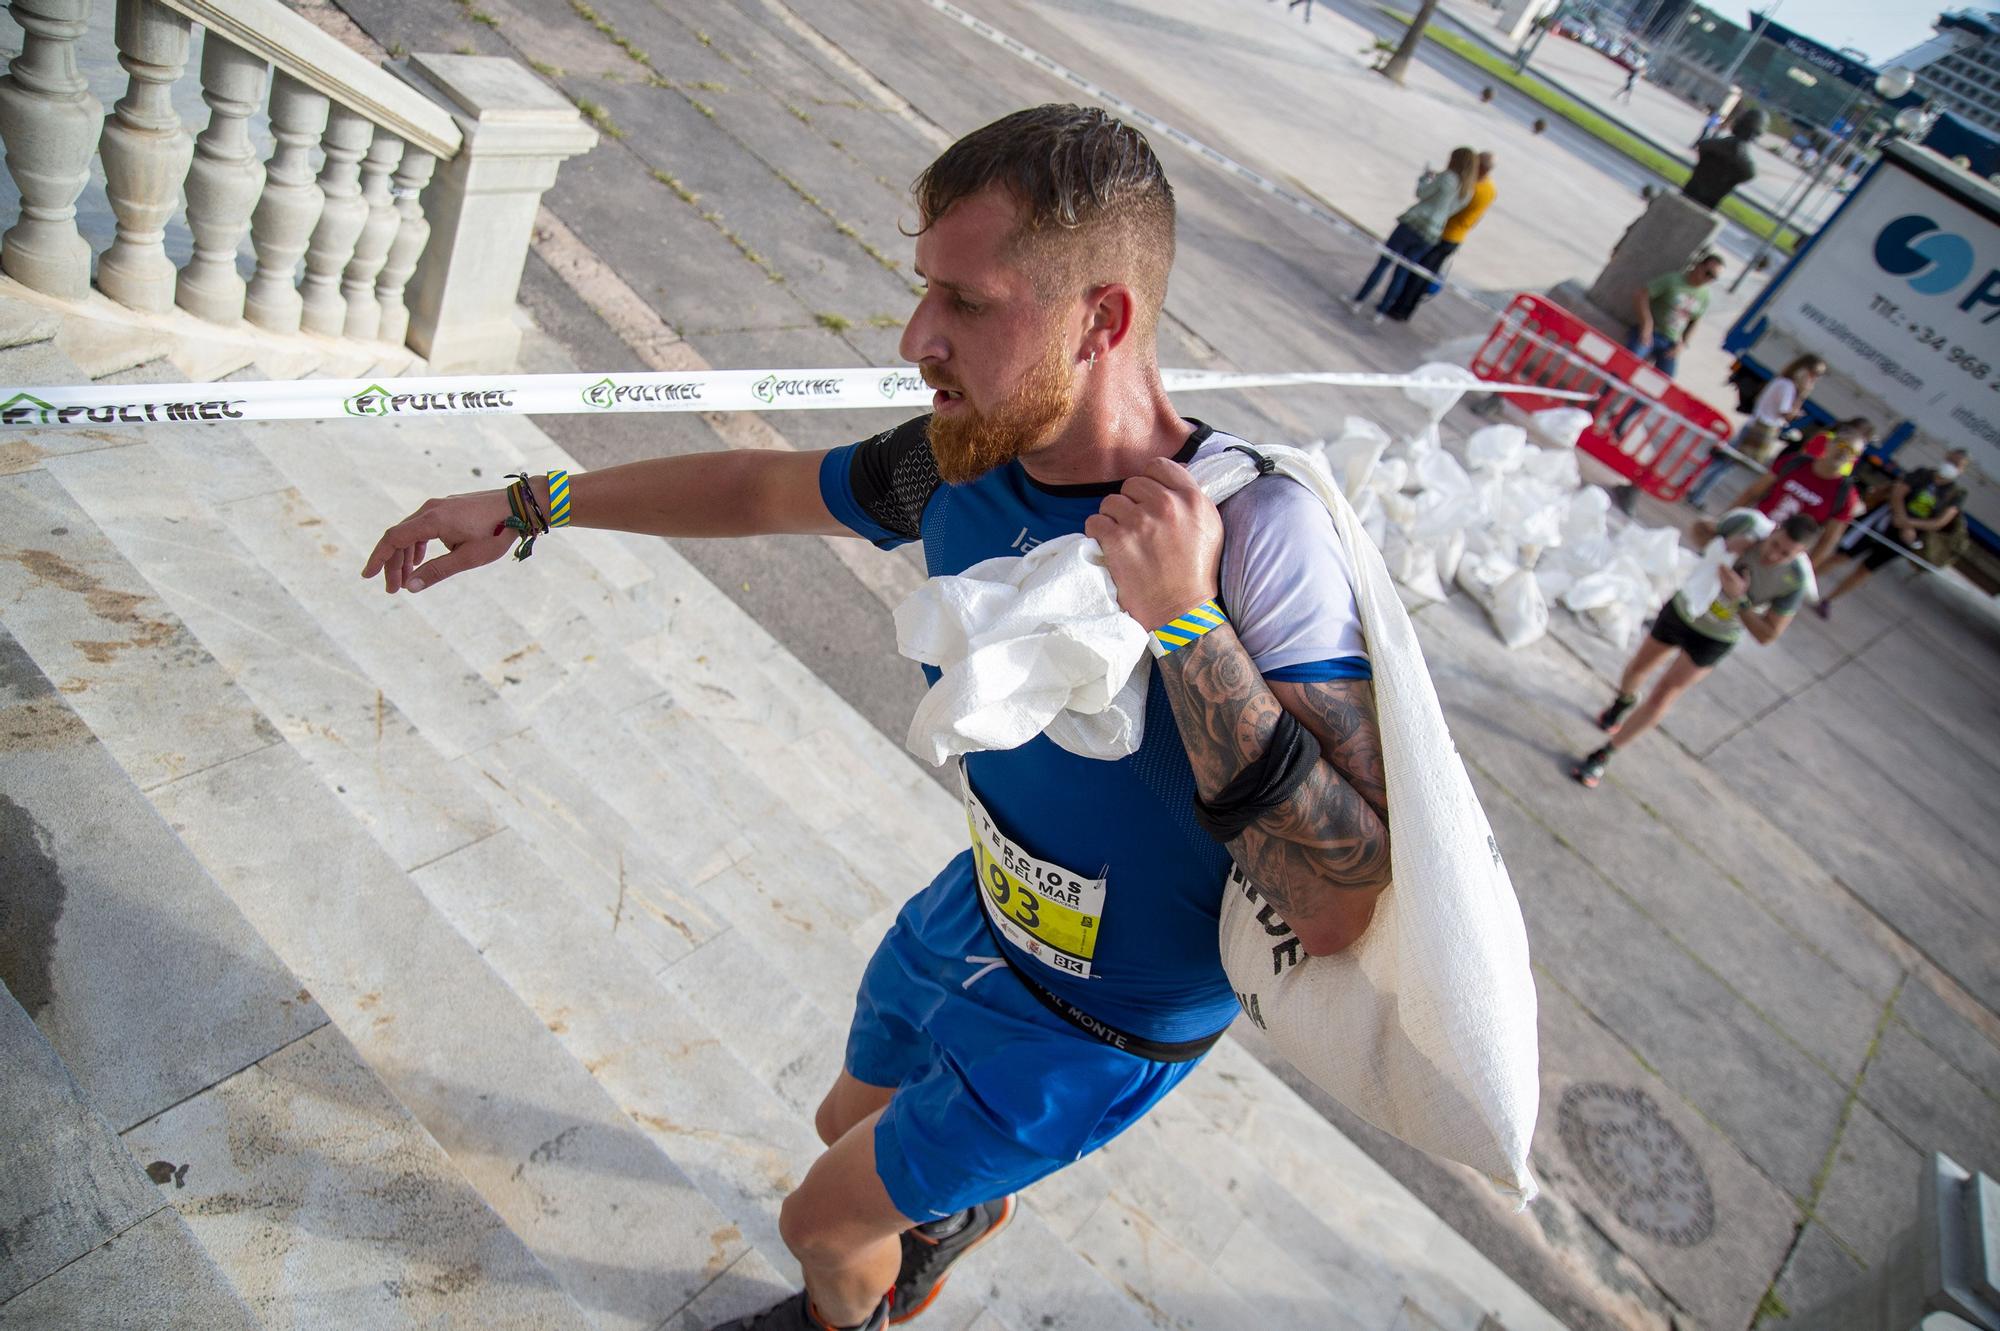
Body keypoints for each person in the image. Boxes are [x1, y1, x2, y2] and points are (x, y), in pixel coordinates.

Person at [363, 105, 1391, 1331]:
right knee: (842, 1127)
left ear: (1100, 318)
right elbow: (759, 487)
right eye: (923, 293)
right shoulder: (960, 459)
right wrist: (532, 501)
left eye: (967, 303)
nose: (916, 338)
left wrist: (1181, 621)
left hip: (1101, 1020)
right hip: (984, 903)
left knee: (823, 1220)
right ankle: (949, 1214)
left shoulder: (1253, 540)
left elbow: (1339, 898)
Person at [1574, 512, 1819, 788]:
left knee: (1665, 693)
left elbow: (1768, 635)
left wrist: (1740, 600)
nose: (1774, 556)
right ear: (1774, 530)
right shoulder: (1749, 525)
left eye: (1785, 554)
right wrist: (1723, 540)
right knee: (1637, 670)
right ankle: (1624, 701)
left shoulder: (1794, 581)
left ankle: (1605, 753)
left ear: (1800, 555)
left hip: (1716, 636)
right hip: (1684, 611)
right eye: (1775, 545)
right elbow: (1697, 531)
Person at [1814, 448, 1971, 618]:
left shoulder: (1956, 494)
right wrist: (1901, 517)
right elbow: (1898, 493)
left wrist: (1908, 525)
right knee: (1842, 556)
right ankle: (1804, 581)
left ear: (1962, 469)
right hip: (1882, 523)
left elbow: (1940, 521)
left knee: (1866, 569)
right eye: (1951, 460)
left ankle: (1829, 600)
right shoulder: (1923, 473)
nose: (1951, 466)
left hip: (1906, 537)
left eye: (1957, 464)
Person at [1350, 147, 1476, 323]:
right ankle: (1381, 310)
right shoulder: (1467, 192)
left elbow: (1422, 193)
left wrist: (1425, 179)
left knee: (1383, 264)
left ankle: (1359, 300)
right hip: (1432, 234)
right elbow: (1451, 211)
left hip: (1413, 224)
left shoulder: (1447, 177)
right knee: (1402, 273)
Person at [1685, 354, 1825, 507]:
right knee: (1726, 463)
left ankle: (1693, 488)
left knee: (1724, 460)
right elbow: (1786, 413)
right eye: (1813, 374)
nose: (1813, 379)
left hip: (1756, 425)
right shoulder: (1788, 386)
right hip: (1760, 428)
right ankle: (1696, 493)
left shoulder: (1782, 382)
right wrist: (1802, 395)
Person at [1729, 419, 1871, 566]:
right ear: (1829, 443)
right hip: (1752, 533)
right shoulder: (1794, 463)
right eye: (1841, 444)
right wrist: (1727, 522)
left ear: (1854, 458)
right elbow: (1752, 492)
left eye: (1851, 450)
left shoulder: (1846, 495)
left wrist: (1807, 568)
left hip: (1779, 556)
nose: (1843, 452)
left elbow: (1828, 540)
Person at [1383, 151, 1496, 322]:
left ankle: (1399, 308)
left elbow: (1448, 206)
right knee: (1425, 274)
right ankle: (1405, 309)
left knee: (1416, 274)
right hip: (1456, 238)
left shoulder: (1473, 187)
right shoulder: (1490, 189)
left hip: (1444, 233)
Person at [1628, 251, 1722, 376]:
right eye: (1708, 273)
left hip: (1671, 342)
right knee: (1627, 362)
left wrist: (1683, 343)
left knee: (1664, 382)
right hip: (1652, 333)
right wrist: (1646, 323)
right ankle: (1602, 393)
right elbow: (1641, 295)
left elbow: (1695, 321)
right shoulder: (1673, 280)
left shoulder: (1705, 296)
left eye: (1713, 278)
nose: (1708, 279)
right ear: (1699, 266)